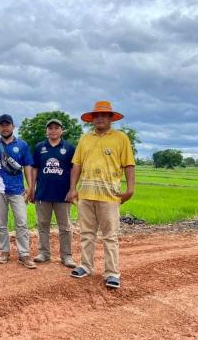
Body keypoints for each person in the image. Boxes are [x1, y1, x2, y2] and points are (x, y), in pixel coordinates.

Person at [66, 101, 135, 289]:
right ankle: (86, 266)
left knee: (110, 236)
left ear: (111, 118)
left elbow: (129, 165)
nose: (100, 118)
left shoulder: (121, 138)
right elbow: (77, 165)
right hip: (86, 194)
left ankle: (112, 273)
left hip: (110, 195)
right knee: (87, 233)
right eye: (97, 115)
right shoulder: (85, 139)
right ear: (92, 119)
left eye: (104, 115)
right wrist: (73, 188)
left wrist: (130, 189)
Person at [0, 114, 36, 269]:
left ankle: (24, 254)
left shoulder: (22, 145)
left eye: (8, 125)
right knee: (1, 223)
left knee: (22, 222)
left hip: (18, 190)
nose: (5, 127)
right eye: (2, 125)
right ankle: (4, 251)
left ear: (13, 127)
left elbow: (28, 166)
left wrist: (30, 186)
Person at [31, 119, 76, 268]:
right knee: (43, 225)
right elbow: (35, 168)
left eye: (56, 128)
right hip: (43, 193)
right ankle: (44, 253)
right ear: (46, 131)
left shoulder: (69, 148)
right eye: (50, 128)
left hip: (62, 194)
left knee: (65, 227)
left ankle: (66, 256)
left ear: (61, 130)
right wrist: (32, 188)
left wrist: (72, 189)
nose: (53, 131)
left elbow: (75, 169)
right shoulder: (40, 147)